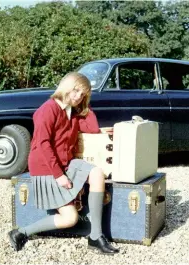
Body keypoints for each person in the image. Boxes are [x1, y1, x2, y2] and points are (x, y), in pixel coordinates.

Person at [8, 72, 119, 255]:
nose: (77, 97)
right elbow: (42, 144)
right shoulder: (47, 110)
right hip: (46, 169)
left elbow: (91, 128)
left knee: (97, 173)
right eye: (76, 91)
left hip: (66, 164)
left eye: (82, 94)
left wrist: (86, 107)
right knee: (70, 218)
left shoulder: (72, 113)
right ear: (66, 86)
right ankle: (20, 232)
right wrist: (59, 175)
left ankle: (95, 236)